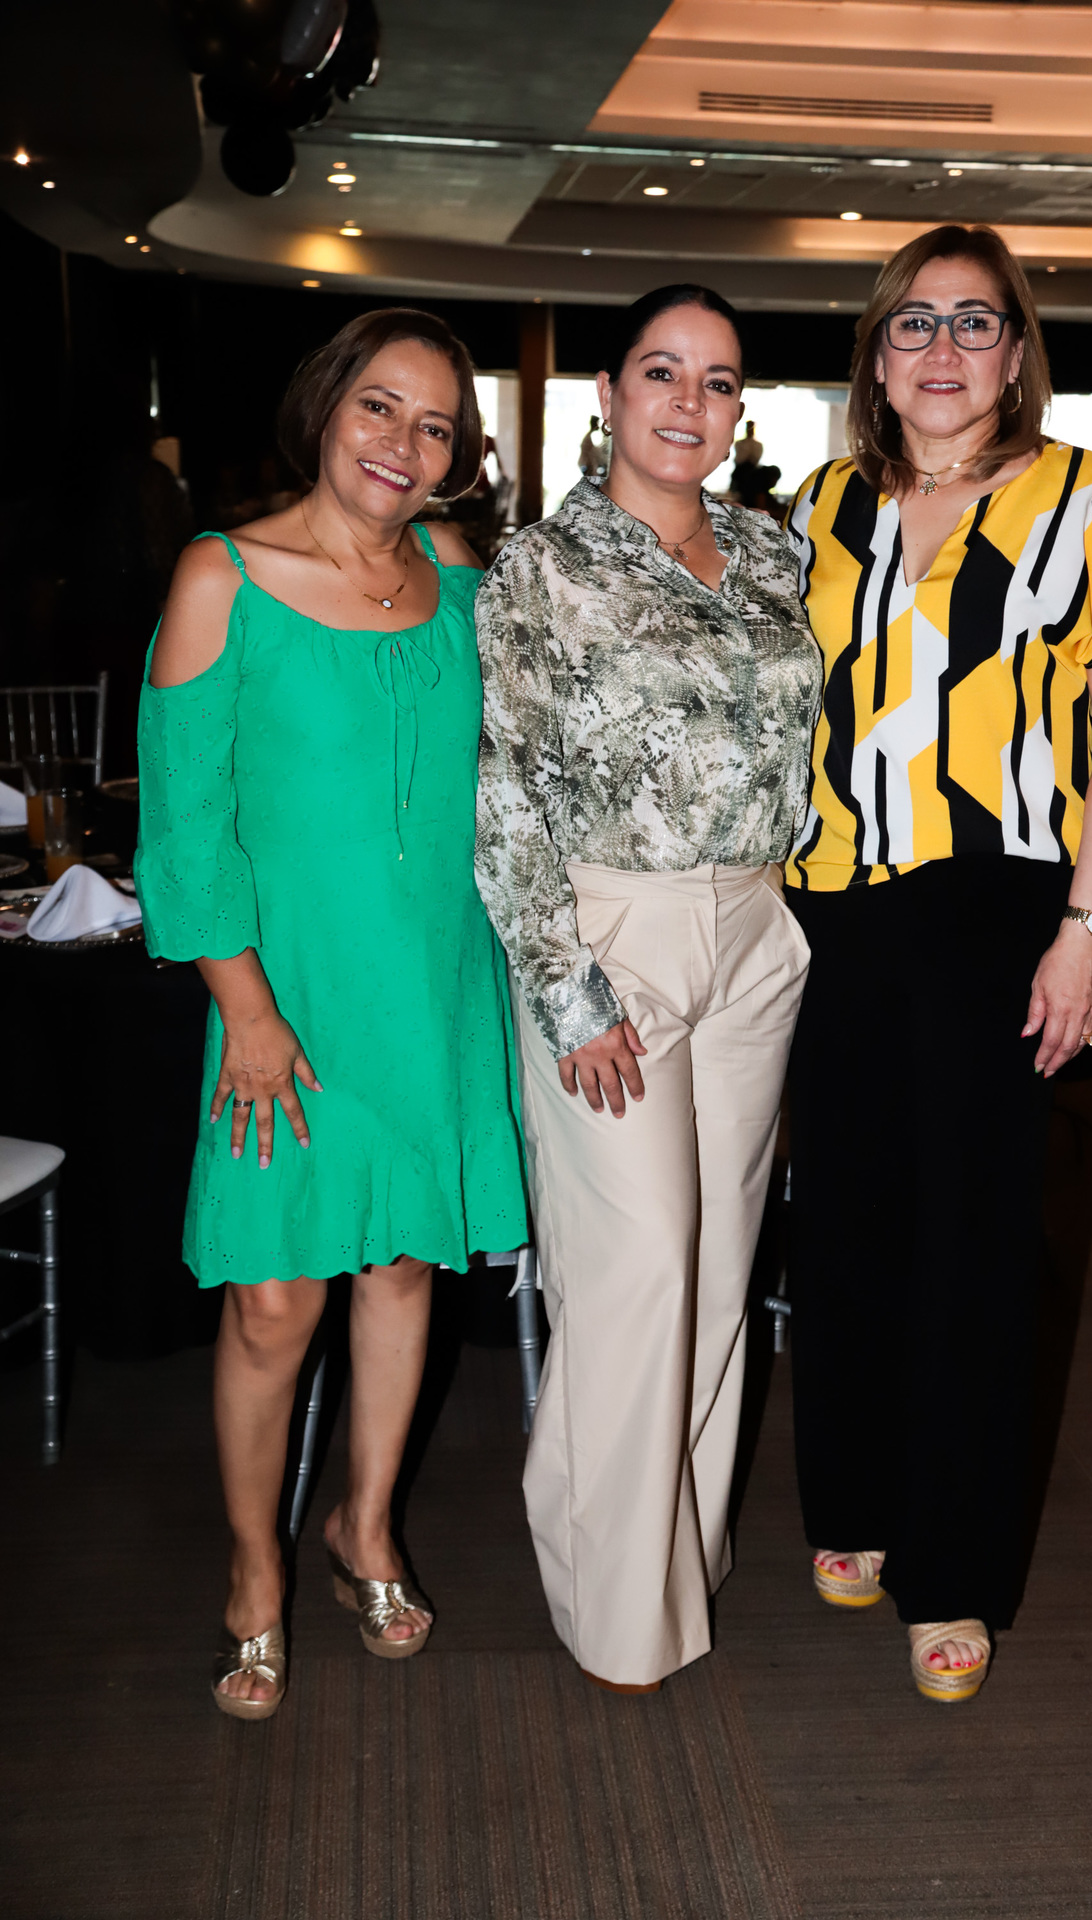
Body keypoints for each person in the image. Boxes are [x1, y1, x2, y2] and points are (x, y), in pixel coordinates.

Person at [783, 224, 1092, 1704]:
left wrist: (1087, 931)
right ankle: (853, 1499)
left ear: (1016, 351)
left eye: (974, 319)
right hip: (829, 912)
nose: (943, 347)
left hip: (998, 910)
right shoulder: (823, 506)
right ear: (875, 355)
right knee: (842, 1223)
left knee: (970, 1243)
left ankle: (951, 1574)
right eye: (914, 321)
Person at [135, 309, 527, 1721]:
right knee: (273, 1300)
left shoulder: (459, 574)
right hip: (283, 1000)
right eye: (379, 407)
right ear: (325, 407)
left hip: (432, 988)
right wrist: (243, 1011)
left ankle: (365, 1528)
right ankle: (256, 1568)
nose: (401, 444)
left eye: (435, 426)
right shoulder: (222, 576)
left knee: (405, 1268)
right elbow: (185, 830)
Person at [474, 285, 821, 1693]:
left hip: (755, 933)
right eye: (662, 372)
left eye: (718, 380)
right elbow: (506, 788)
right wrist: (566, 991)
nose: (690, 402)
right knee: (635, 1272)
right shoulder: (539, 567)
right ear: (609, 393)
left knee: (721, 1271)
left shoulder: (773, 548)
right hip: (610, 931)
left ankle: (679, 1550)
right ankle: (613, 1607)